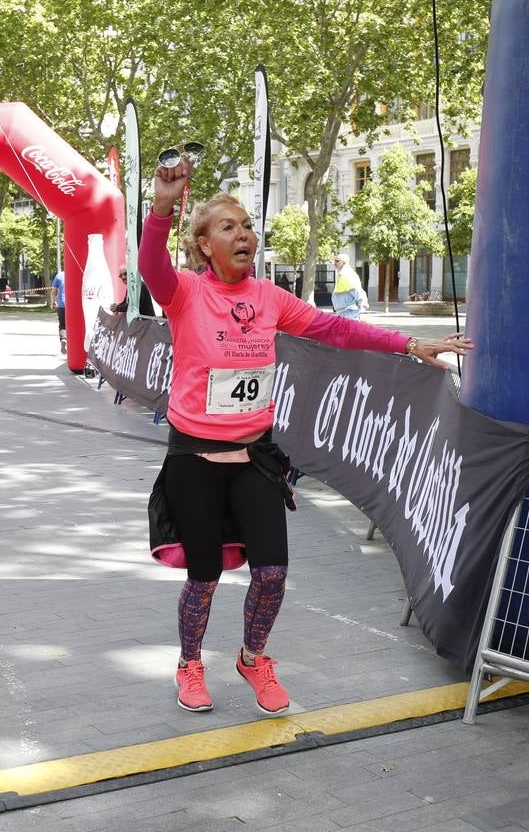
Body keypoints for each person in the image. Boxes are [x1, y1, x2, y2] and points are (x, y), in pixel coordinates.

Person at [141, 157, 471, 715]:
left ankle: (253, 657)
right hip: (195, 459)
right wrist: (162, 208)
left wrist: (411, 345)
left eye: (246, 224)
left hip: (255, 459)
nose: (243, 234)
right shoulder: (187, 294)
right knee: (203, 576)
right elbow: (152, 267)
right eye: (228, 227)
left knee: (273, 574)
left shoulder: (270, 298)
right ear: (203, 246)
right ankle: (191, 663)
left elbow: (338, 328)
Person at [330, 253, 368, 320]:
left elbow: (357, 291)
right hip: (344, 312)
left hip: (349, 312)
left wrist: (363, 305)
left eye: (337, 261)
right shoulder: (342, 274)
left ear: (344, 262)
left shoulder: (346, 275)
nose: (334, 263)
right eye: (334, 261)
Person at [50, 269, 66, 353]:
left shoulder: (59, 275)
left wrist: (53, 302)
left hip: (62, 305)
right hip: (74, 305)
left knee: (63, 325)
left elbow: (53, 291)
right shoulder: (76, 273)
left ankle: (63, 339)